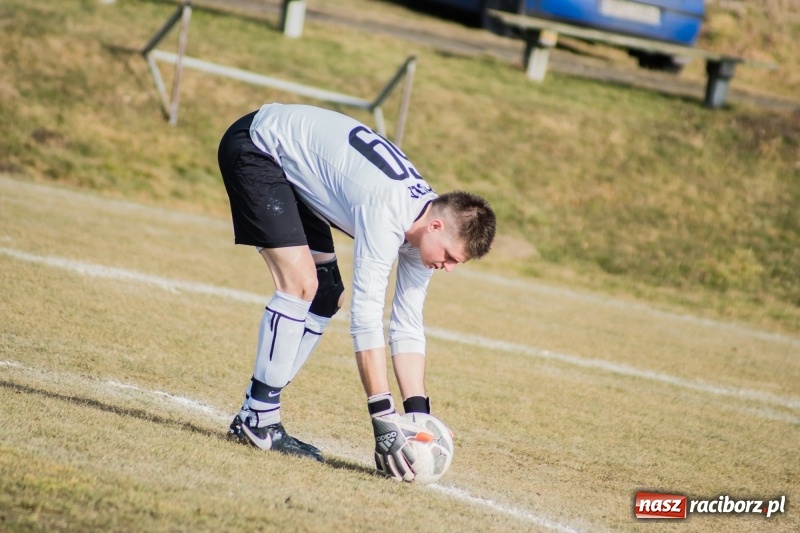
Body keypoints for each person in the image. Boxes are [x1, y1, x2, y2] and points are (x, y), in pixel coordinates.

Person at [218, 103, 496, 480]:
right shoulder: (387, 212)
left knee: (326, 294)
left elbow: (407, 325)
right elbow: (366, 318)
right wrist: (383, 417)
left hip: (289, 162)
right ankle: (259, 420)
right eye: (448, 257)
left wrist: (417, 417)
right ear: (434, 227)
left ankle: (254, 415)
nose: (446, 267)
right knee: (300, 285)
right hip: (258, 146)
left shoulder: (424, 229)